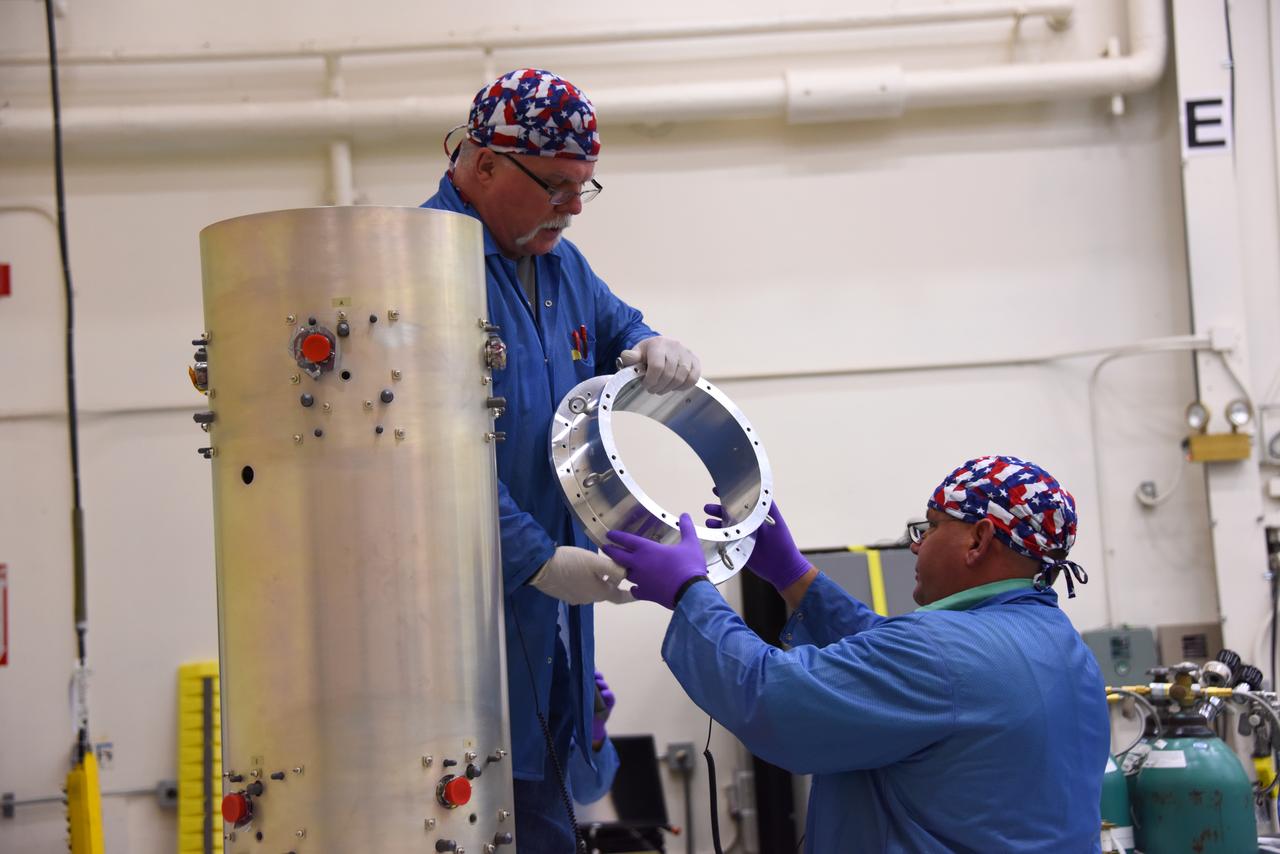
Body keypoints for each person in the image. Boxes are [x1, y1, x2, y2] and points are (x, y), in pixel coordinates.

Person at [420, 68, 702, 851]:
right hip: (456, 625)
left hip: (549, 627)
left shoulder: (556, 265)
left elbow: (616, 325)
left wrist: (646, 344)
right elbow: (427, 460)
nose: (573, 209)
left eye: (585, 188)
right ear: (481, 165)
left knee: (546, 807)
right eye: (555, 187)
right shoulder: (419, 269)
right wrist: (539, 559)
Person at [602, 455, 1110, 853]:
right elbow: (894, 662)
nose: (916, 545)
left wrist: (690, 592)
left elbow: (775, 700)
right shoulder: (1063, 647)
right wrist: (793, 576)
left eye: (929, 527)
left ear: (978, 539)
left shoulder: (941, 655)